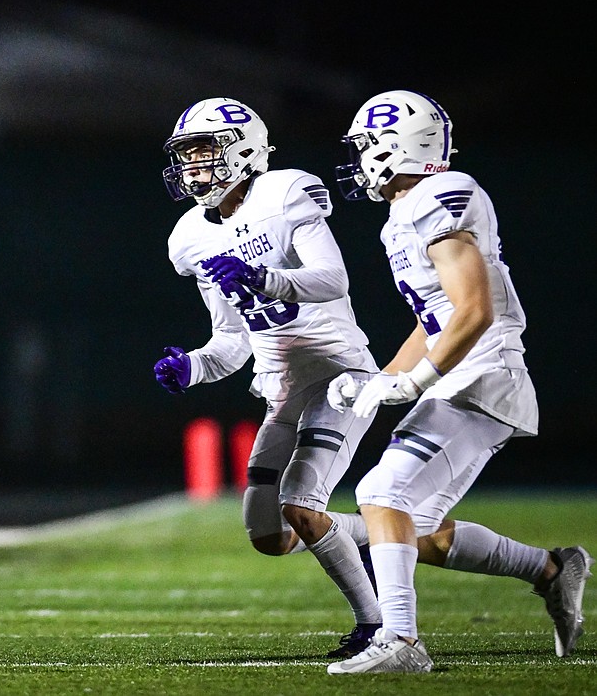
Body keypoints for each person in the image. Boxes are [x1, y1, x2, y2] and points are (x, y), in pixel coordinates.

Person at [324, 90, 592, 673]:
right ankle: (551, 569)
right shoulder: (406, 213)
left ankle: (401, 643)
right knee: (414, 532)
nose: (357, 159)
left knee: (379, 495)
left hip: (482, 378)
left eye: (364, 145)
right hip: (465, 378)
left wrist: (416, 381)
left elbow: (474, 311)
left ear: (393, 147)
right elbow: (436, 318)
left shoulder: (439, 198)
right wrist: (379, 379)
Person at [152, 97, 384, 658]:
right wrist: (194, 366)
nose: (192, 167)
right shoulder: (190, 237)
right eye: (186, 156)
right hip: (282, 387)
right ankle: (389, 533)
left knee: (302, 505)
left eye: (204, 152)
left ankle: (379, 628)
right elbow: (232, 342)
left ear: (244, 148)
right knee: (269, 534)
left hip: (337, 373)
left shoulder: (284, 193)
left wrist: (262, 276)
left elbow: (330, 279)